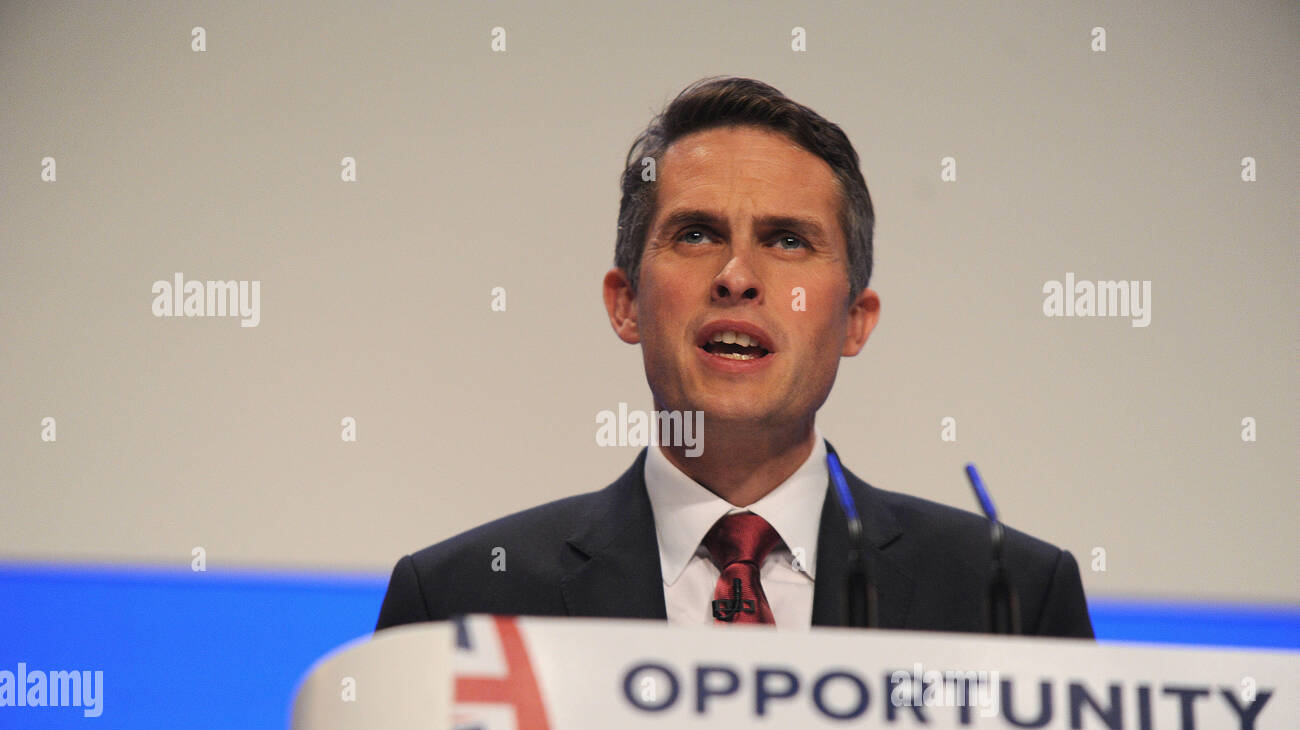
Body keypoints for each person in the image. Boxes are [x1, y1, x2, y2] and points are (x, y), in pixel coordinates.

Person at [375, 76, 1093, 638]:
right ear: (626, 302)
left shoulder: (1012, 598)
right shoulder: (460, 602)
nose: (737, 275)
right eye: (694, 234)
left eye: (787, 240)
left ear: (855, 320)